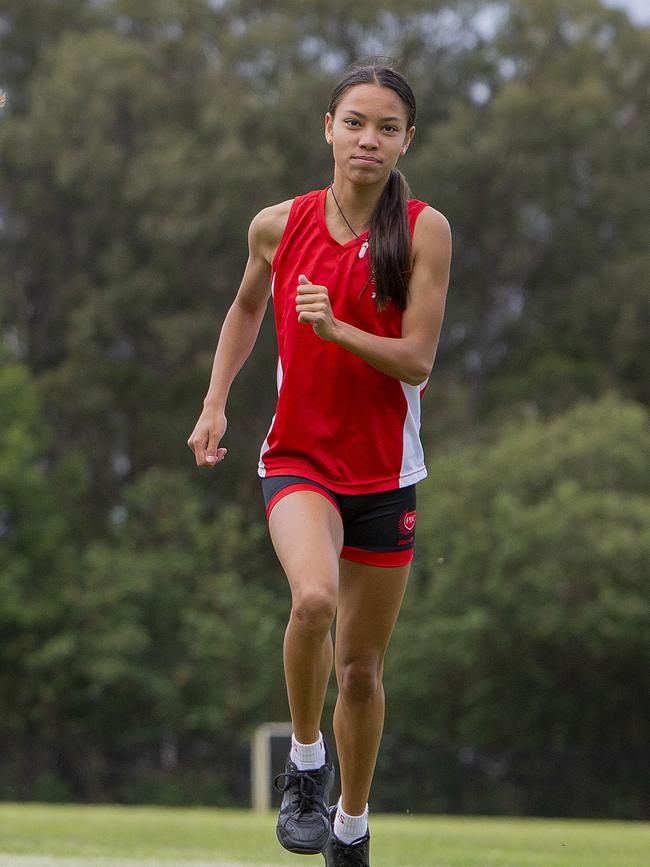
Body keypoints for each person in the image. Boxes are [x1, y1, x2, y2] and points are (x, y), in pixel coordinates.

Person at [187, 61, 451, 867]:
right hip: (299, 459)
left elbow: (416, 361)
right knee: (311, 600)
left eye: (386, 127)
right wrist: (214, 401)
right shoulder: (277, 224)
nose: (368, 139)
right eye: (354, 121)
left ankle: (352, 823)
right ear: (327, 127)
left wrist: (337, 331)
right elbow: (245, 306)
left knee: (362, 672)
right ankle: (306, 764)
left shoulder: (424, 230)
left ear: (408, 139)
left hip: (386, 477)